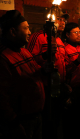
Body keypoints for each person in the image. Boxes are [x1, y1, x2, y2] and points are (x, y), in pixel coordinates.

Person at [0, 10, 45, 139]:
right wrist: (13, 123)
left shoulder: (24, 51)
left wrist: (44, 71)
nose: (30, 32)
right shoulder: (3, 58)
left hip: (35, 115)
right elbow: (2, 96)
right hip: (20, 121)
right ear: (13, 32)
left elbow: (34, 74)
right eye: (26, 28)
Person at [26, 13, 69, 139]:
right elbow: (30, 59)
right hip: (45, 85)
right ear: (49, 21)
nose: (62, 22)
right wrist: (45, 55)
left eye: (63, 20)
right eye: (59, 19)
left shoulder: (60, 40)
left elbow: (62, 62)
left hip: (58, 85)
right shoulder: (38, 36)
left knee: (56, 118)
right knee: (46, 119)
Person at [62, 22, 80, 139]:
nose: (79, 35)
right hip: (72, 88)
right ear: (67, 34)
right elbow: (65, 69)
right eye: (75, 32)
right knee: (70, 117)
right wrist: (77, 61)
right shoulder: (65, 49)